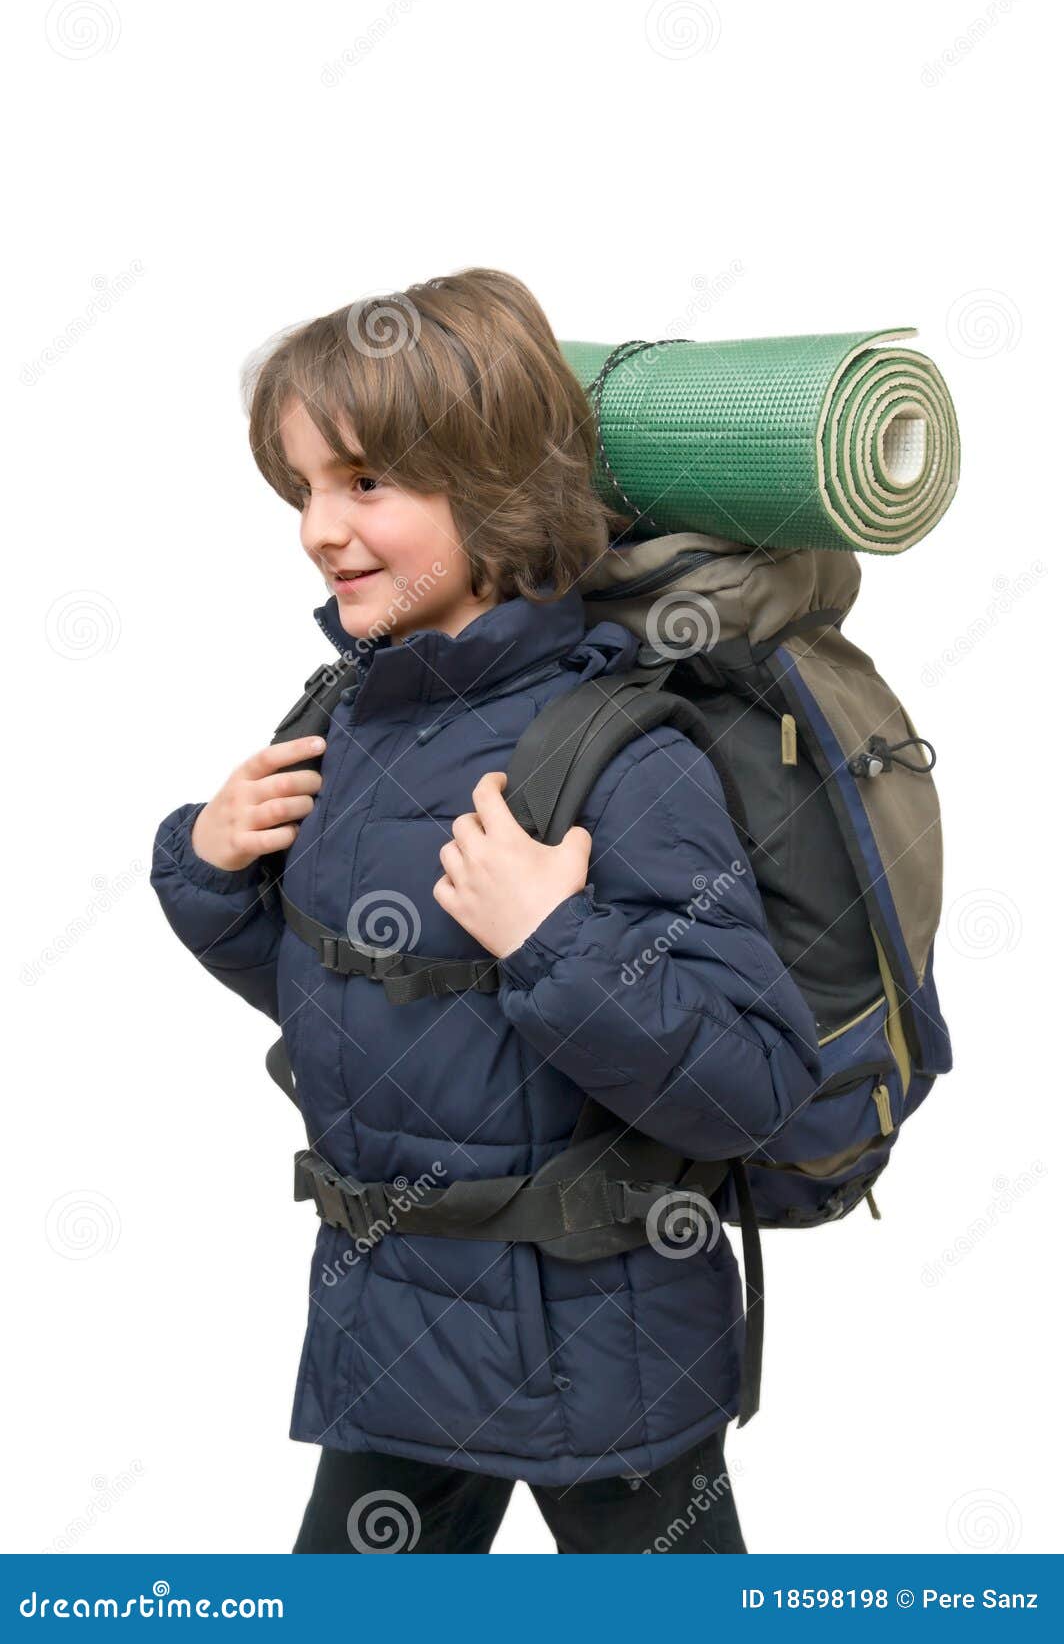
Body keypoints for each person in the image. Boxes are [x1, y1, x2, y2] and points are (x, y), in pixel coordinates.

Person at [150, 268, 820, 1553]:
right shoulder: (352, 717)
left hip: (609, 1370)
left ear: (496, 495)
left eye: (364, 483)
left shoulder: (622, 754)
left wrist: (556, 944)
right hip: (398, 1337)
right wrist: (210, 871)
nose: (317, 528)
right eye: (302, 487)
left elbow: (755, 1084)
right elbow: (361, 1014)